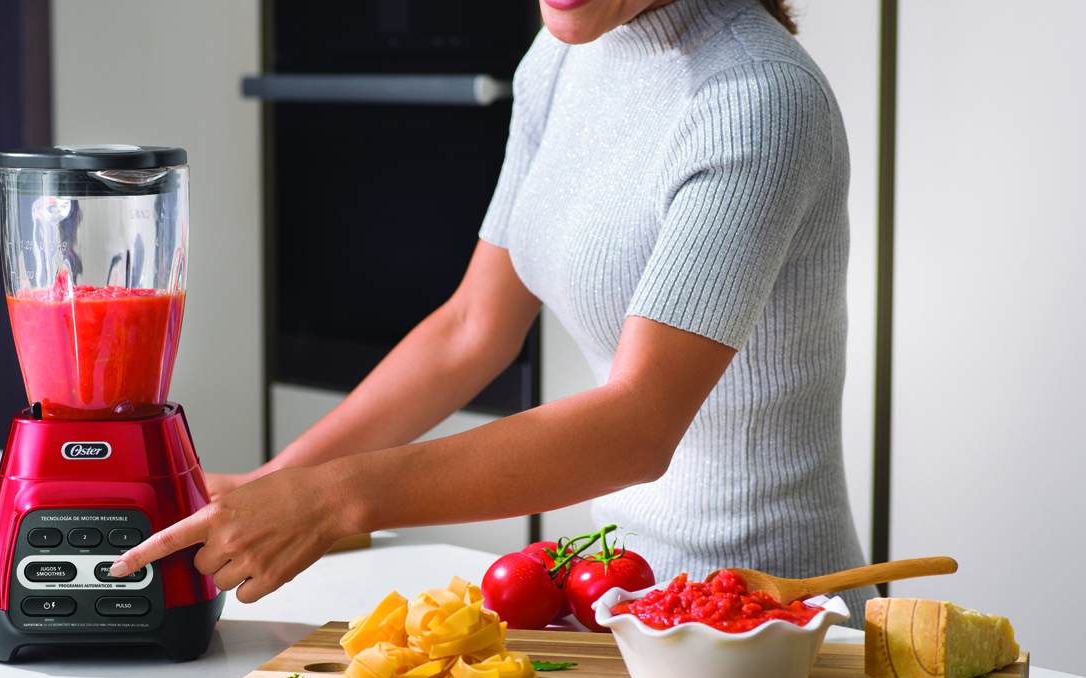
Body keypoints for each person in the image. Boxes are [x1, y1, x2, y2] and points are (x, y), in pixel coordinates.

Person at [110, 0, 876, 626]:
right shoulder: (561, 58)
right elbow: (472, 326)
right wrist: (277, 484)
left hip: (776, 620)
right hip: (621, 599)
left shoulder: (756, 100)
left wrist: (337, 499)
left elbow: (639, 425)